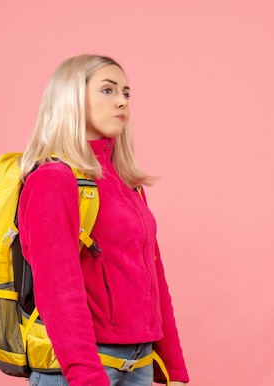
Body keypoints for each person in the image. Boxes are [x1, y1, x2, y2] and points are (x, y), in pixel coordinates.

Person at [17, 54, 189, 386]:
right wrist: (86, 377)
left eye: (126, 93)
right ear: (71, 99)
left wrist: (173, 369)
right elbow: (58, 290)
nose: (122, 101)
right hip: (83, 371)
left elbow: (154, 278)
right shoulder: (53, 179)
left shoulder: (126, 183)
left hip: (139, 364)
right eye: (108, 91)